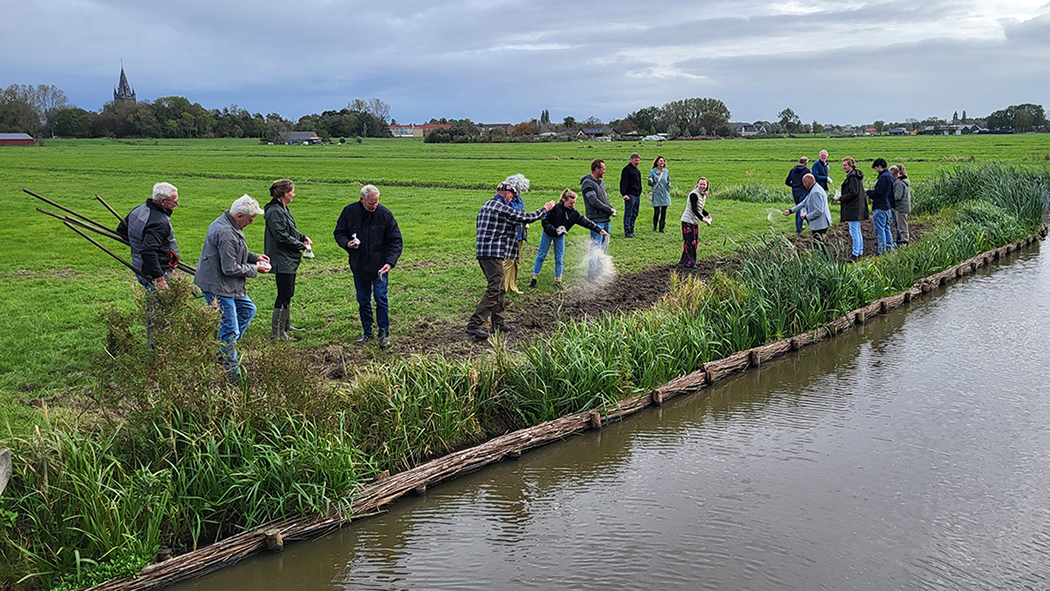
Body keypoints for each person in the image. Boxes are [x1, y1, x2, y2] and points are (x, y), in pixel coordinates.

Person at [467, 176, 554, 339]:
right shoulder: (501, 207)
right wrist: (545, 209)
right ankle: (474, 324)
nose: (513, 199)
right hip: (492, 254)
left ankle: (498, 324)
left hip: (484, 253)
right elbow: (526, 218)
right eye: (512, 196)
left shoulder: (487, 205)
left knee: (499, 288)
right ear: (506, 193)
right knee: (494, 288)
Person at [194, 195, 270, 381]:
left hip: (227, 285)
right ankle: (232, 373)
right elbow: (230, 268)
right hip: (218, 286)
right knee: (229, 328)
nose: (251, 223)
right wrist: (256, 269)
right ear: (239, 215)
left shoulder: (229, 224)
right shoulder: (226, 232)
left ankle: (224, 350)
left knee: (247, 310)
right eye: (250, 220)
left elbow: (236, 254)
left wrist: (254, 257)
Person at [333, 184, 403, 349]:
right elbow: (339, 233)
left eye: (377, 202)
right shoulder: (349, 212)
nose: (374, 206)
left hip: (380, 267)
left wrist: (390, 262)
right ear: (362, 200)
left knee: (381, 298)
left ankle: (384, 333)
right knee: (363, 300)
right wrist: (347, 244)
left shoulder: (385, 214)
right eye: (371, 203)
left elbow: (396, 240)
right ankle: (367, 332)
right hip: (359, 265)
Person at [116, 181, 181, 340]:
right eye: (174, 202)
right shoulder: (159, 222)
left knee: (156, 310)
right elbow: (148, 250)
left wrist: (138, 242)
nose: (177, 204)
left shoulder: (139, 210)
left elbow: (121, 230)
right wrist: (159, 278)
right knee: (159, 315)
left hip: (140, 267)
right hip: (155, 272)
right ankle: (159, 353)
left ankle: (159, 349)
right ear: (162, 202)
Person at [529, 189, 608, 288]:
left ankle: (558, 280)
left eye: (574, 203)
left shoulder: (574, 214)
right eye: (570, 203)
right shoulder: (555, 208)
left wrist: (598, 229)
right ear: (563, 200)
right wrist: (555, 230)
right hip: (548, 234)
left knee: (559, 258)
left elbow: (585, 222)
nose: (572, 205)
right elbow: (545, 222)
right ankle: (534, 279)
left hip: (560, 237)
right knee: (541, 255)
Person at [264, 179, 311, 341]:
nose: (294, 194)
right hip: (281, 259)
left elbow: (291, 230)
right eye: (292, 191)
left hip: (287, 259)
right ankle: (277, 332)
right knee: (284, 293)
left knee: (288, 292)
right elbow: (282, 236)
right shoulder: (275, 211)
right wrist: (301, 246)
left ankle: (286, 325)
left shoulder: (282, 208)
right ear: (284, 193)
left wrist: (303, 238)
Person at [580, 159, 617, 282]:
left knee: (604, 246)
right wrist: (609, 210)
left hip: (605, 219)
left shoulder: (601, 183)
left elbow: (604, 199)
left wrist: (611, 208)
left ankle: (601, 271)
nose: (604, 171)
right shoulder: (587, 184)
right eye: (603, 169)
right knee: (596, 245)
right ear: (596, 169)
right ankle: (592, 273)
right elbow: (594, 202)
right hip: (596, 220)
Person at [783, 174, 832, 244]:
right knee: (818, 245)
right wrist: (790, 211)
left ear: (807, 183)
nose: (803, 185)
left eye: (804, 183)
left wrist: (807, 217)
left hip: (820, 225)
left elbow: (818, 210)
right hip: (820, 224)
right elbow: (804, 202)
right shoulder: (814, 188)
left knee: (818, 246)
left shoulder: (816, 192)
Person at [837, 157, 868, 260]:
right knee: (857, 230)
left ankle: (856, 253)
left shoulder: (853, 177)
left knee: (854, 231)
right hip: (857, 206)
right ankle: (859, 251)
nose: (843, 167)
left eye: (845, 165)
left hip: (853, 207)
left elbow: (853, 192)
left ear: (851, 165)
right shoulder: (856, 176)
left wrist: (841, 198)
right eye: (843, 165)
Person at [680, 177, 712, 269]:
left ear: (706, 186)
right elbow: (694, 209)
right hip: (688, 221)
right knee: (691, 243)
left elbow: (700, 208)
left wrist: (707, 214)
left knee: (692, 241)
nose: (702, 186)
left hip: (694, 221)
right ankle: (690, 263)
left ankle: (684, 260)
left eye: (704, 185)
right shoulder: (694, 194)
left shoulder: (703, 195)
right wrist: (703, 219)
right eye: (700, 184)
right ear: (697, 184)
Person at [867, 157, 896, 253]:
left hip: (880, 206)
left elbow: (878, 192)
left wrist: (868, 193)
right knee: (886, 228)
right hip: (887, 206)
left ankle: (882, 250)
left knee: (880, 230)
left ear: (879, 167)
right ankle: (889, 248)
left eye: (876, 168)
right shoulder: (890, 176)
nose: (876, 170)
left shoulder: (883, 177)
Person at [503, 185, 528, 294]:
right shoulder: (508, 200)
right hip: (511, 234)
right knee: (508, 261)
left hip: (520, 234)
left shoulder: (519, 199)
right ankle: (503, 288)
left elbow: (523, 213)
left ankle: (513, 286)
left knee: (516, 261)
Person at [785, 157, 811, 234]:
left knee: (797, 208)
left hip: (795, 192)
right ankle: (799, 229)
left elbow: (787, 182)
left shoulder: (792, 170)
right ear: (806, 163)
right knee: (801, 209)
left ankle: (798, 226)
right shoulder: (807, 171)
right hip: (803, 191)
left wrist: (793, 186)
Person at [619, 152, 642, 238]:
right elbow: (623, 183)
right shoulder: (627, 170)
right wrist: (624, 194)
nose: (637, 163)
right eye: (636, 161)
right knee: (628, 213)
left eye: (638, 161)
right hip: (630, 195)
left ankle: (632, 229)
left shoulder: (637, 171)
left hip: (637, 195)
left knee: (635, 213)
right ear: (631, 160)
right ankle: (627, 231)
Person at [648, 155, 671, 233]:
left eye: (663, 161)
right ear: (657, 162)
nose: (662, 162)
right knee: (657, 212)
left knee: (664, 212)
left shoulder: (666, 172)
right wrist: (650, 180)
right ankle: (655, 227)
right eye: (660, 161)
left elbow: (668, 180)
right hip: (656, 193)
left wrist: (668, 184)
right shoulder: (652, 171)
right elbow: (649, 183)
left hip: (664, 194)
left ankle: (661, 228)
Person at [890, 164, 911, 245]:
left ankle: (904, 242)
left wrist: (891, 197)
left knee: (901, 226)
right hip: (905, 206)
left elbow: (897, 197)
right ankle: (903, 240)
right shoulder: (905, 181)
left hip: (900, 207)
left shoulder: (898, 183)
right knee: (903, 225)